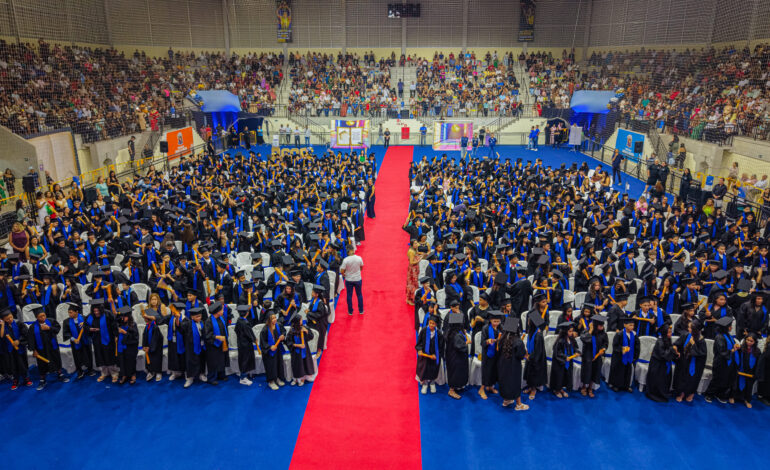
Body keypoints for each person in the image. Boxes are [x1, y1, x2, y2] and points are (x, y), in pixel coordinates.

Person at [27, 306, 69, 390]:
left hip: (52, 347)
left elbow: (58, 329)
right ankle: (42, 380)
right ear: (36, 317)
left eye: (44, 315)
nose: (43, 318)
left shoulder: (51, 321)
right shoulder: (32, 327)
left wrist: (49, 328)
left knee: (56, 360)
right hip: (41, 349)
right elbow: (31, 339)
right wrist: (34, 350)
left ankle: (60, 374)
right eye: (40, 316)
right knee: (42, 364)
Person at [496, 317, 528, 410]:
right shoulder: (518, 341)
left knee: (505, 382)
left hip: (502, 365)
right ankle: (519, 404)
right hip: (513, 367)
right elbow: (521, 355)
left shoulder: (502, 339)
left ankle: (506, 400)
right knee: (515, 383)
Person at [672, 318, 707, 402]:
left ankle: (691, 393)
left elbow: (701, 354)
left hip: (694, 364)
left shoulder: (701, 340)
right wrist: (676, 348)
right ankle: (681, 392)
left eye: (690, 328)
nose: (688, 329)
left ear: (695, 330)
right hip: (684, 361)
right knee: (681, 377)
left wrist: (693, 344)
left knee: (692, 379)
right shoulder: (686, 335)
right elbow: (676, 344)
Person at [645, 321, 676, 402]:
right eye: (669, 332)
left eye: (671, 332)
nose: (670, 334)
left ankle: (663, 392)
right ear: (664, 333)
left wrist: (676, 354)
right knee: (658, 380)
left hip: (664, 364)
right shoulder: (660, 342)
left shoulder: (668, 339)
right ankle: (656, 394)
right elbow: (663, 355)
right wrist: (673, 349)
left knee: (664, 380)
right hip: (658, 365)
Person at [1, 309, 31, 390]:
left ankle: (26, 379)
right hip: (10, 350)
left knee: (23, 364)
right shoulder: (3, 326)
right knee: (13, 366)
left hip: (20, 348)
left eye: (11, 317)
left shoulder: (19, 323)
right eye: (7, 319)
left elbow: (26, 333)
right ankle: (16, 381)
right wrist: (3, 325)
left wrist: (19, 340)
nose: (10, 320)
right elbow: (2, 337)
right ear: (3, 319)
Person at [608, 316, 640, 392]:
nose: (632, 327)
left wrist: (635, 356)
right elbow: (615, 346)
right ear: (625, 325)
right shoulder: (619, 334)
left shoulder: (634, 335)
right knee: (619, 371)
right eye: (630, 325)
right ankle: (616, 385)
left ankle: (626, 385)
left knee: (628, 371)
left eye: (633, 325)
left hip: (629, 357)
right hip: (619, 357)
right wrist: (622, 349)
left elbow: (637, 346)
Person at [579, 314, 608, 397]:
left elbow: (605, 343)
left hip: (597, 356)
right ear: (595, 325)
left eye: (602, 325)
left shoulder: (603, 334)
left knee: (595, 371)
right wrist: (590, 330)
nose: (601, 327)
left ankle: (590, 388)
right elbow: (584, 339)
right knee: (587, 371)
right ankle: (584, 387)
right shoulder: (587, 331)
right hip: (588, 355)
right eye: (600, 325)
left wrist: (603, 349)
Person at [479, 310, 504, 399]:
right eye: (494, 321)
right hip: (488, 353)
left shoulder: (501, 328)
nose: (496, 323)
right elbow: (482, 342)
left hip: (497, 354)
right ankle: (481, 389)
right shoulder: (485, 328)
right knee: (487, 371)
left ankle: (490, 387)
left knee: (494, 371)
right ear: (490, 320)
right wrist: (488, 341)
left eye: (498, 321)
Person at [523, 310, 547, 400]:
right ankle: (530, 387)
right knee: (530, 373)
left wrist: (530, 357)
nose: (528, 322)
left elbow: (538, 351)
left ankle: (533, 389)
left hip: (537, 358)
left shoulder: (538, 335)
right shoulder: (531, 331)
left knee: (534, 374)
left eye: (529, 320)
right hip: (531, 356)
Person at [550, 321, 578, 398]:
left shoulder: (571, 339)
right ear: (565, 332)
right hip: (560, 363)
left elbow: (575, 347)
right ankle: (557, 390)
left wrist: (577, 352)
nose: (572, 333)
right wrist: (565, 357)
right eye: (570, 331)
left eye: (572, 331)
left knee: (564, 376)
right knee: (559, 376)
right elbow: (557, 353)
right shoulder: (560, 341)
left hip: (568, 362)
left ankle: (561, 388)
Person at [444, 312, 470, 399]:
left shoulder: (450, 331)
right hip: (457, 358)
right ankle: (451, 390)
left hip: (451, 356)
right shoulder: (457, 335)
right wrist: (467, 342)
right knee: (456, 373)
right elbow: (461, 347)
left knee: (453, 372)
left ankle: (456, 386)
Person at [416, 313, 443, 394]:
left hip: (435, 356)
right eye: (430, 323)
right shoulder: (424, 331)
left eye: (433, 323)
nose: (431, 325)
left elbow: (441, 346)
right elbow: (419, 343)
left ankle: (432, 382)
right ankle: (425, 383)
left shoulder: (439, 333)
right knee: (424, 369)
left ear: (436, 324)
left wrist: (437, 355)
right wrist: (420, 349)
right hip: (425, 355)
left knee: (433, 369)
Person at [259, 312, 286, 390]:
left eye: (275, 317)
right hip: (269, 352)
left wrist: (283, 336)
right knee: (271, 366)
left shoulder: (279, 325)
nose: (275, 320)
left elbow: (284, 332)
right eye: (272, 318)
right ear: (268, 320)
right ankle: (271, 381)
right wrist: (270, 347)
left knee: (278, 364)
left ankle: (277, 378)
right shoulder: (265, 330)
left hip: (278, 349)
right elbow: (262, 342)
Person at [204, 302, 229, 385]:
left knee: (221, 359)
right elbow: (207, 335)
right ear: (217, 311)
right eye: (221, 309)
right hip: (213, 345)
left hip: (222, 343)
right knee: (213, 361)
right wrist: (217, 337)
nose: (223, 310)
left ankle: (221, 375)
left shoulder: (221, 318)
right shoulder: (208, 321)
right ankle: (211, 378)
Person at [286, 313, 315, 386]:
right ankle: (295, 378)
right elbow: (288, 342)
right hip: (296, 351)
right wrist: (297, 345)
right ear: (297, 321)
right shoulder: (291, 331)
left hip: (304, 350)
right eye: (301, 320)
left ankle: (303, 379)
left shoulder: (304, 328)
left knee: (304, 364)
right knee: (296, 365)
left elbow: (311, 337)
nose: (302, 321)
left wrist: (307, 332)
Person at [182, 307, 207, 388]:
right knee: (191, 362)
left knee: (202, 360)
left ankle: (201, 374)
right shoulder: (188, 324)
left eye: (200, 316)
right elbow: (180, 328)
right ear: (192, 317)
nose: (199, 318)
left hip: (201, 346)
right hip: (191, 347)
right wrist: (179, 318)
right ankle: (190, 378)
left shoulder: (202, 322)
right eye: (197, 316)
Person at [114, 305, 139, 385]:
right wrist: (116, 336)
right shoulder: (120, 323)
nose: (123, 318)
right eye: (122, 316)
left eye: (124, 316)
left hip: (130, 347)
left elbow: (135, 338)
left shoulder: (133, 325)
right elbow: (115, 329)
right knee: (122, 361)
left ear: (129, 316)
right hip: (121, 347)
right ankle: (124, 375)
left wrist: (125, 333)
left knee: (130, 361)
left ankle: (132, 375)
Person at [234, 304, 258, 386]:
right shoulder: (245, 323)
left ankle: (246, 374)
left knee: (244, 359)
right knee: (245, 360)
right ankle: (243, 378)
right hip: (246, 344)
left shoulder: (238, 320)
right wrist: (254, 339)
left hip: (241, 343)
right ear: (247, 313)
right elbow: (249, 334)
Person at [340, 245, 364, 315]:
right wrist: (357, 272)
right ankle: (361, 310)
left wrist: (345, 274)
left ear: (348, 251)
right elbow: (361, 267)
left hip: (349, 279)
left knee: (349, 295)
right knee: (359, 295)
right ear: (353, 250)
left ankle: (350, 311)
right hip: (358, 279)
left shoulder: (346, 260)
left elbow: (342, 270)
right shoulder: (359, 258)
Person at [141, 307, 164, 382]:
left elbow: (155, 340)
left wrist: (151, 348)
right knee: (149, 361)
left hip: (156, 348)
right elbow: (144, 336)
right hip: (149, 347)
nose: (144, 319)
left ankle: (158, 373)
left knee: (156, 360)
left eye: (145, 318)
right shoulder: (147, 326)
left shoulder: (155, 327)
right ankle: (151, 372)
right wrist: (144, 346)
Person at [405, 240, 423, 305]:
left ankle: (413, 297)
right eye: (415, 243)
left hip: (415, 269)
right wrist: (419, 260)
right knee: (411, 284)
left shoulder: (414, 250)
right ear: (412, 244)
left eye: (417, 243)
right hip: (412, 270)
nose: (417, 244)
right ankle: (409, 299)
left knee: (414, 283)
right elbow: (411, 262)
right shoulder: (411, 251)